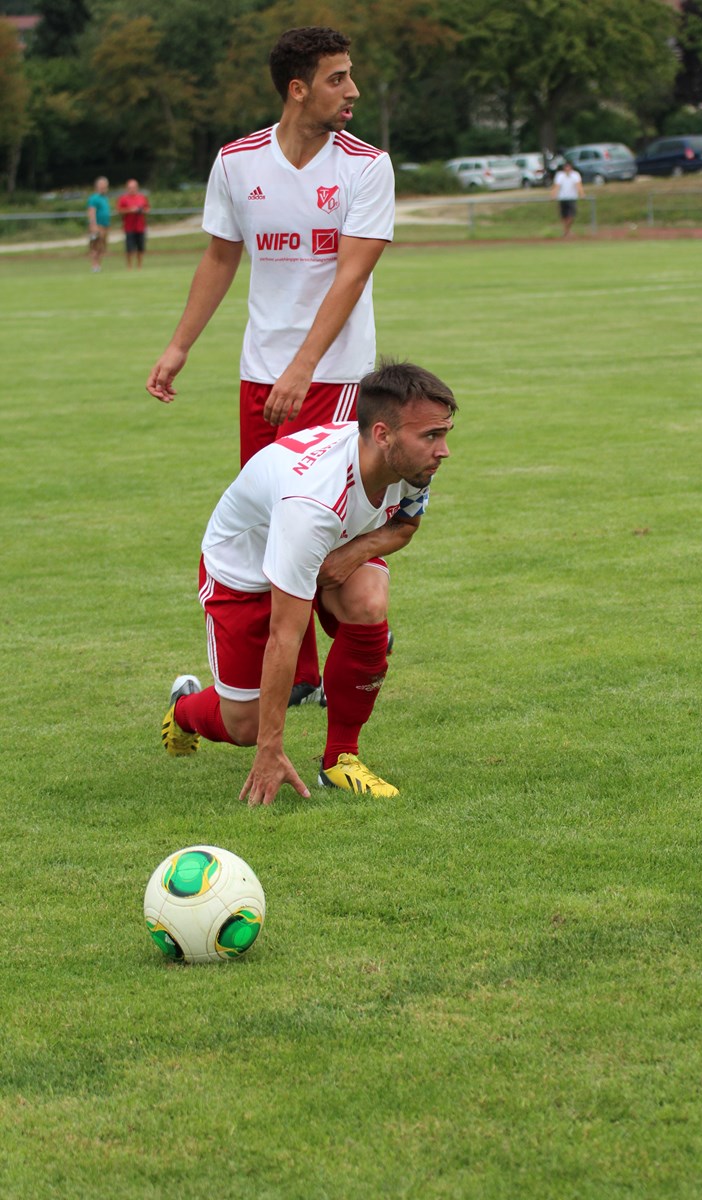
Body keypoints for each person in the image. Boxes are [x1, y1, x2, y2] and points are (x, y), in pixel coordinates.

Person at [145, 26, 395, 707]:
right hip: (262, 375)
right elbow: (221, 257)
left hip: (338, 377)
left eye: (350, 76)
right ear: (298, 88)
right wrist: (179, 346)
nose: (353, 91)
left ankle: (356, 631)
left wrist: (303, 368)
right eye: (338, 78)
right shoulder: (236, 163)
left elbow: (351, 275)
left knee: (328, 518)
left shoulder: (366, 166)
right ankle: (302, 677)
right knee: (273, 521)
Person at [160, 360, 457, 807]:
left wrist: (349, 557)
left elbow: (404, 526)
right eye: (431, 436)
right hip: (244, 569)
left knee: (368, 605)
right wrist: (269, 749)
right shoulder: (312, 505)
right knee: (244, 726)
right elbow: (286, 634)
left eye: (445, 433)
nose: (444, 450)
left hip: (329, 543)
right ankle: (184, 710)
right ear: (382, 434)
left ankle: (340, 760)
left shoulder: (409, 464)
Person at [117, 179, 150, 268]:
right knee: (129, 248)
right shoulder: (123, 198)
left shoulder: (142, 197)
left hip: (140, 227)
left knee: (140, 247)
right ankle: (129, 266)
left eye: (134, 187)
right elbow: (119, 210)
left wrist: (141, 210)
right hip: (129, 227)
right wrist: (130, 210)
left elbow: (147, 209)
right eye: (130, 187)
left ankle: (139, 265)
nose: (132, 189)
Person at [551, 160, 584, 237]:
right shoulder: (560, 175)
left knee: (571, 215)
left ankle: (566, 231)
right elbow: (556, 186)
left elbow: (578, 185)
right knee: (564, 216)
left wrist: (582, 194)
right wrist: (553, 194)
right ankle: (566, 231)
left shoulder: (575, 175)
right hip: (562, 198)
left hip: (572, 198)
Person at [86, 176, 110, 272]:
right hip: (97, 225)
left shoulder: (104, 198)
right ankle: (94, 265)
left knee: (102, 246)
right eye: (102, 185)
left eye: (105, 185)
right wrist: (93, 225)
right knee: (95, 245)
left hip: (105, 225)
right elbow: (91, 211)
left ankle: (98, 265)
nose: (104, 187)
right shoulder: (94, 198)